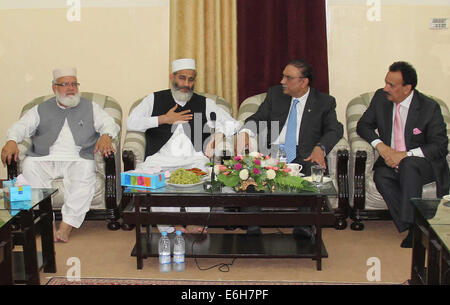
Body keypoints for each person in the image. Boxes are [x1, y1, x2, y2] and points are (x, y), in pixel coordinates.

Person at [1, 67, 120, 243]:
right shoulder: (41, 108)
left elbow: (109, 123)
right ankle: (47, 223)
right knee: (28, 166)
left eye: (74, 84)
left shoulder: (90, 106)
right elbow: (22, 126)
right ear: (54, 87)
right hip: (44, 157)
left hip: (78, 158)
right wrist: (11, 140)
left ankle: (66, 225)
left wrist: (106, 135)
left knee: (87, 170)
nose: (70, 88)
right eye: (64, 84)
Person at [127, 58, 240, 234]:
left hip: (194, 158)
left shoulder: (204, 102)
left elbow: (233, 123)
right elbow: (132, 122)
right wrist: (163, 119)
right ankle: (171, 225)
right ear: (172, 77)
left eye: (191, 79)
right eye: (182, 78)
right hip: (161, 158)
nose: (186, 84)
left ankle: (197, 223)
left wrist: (217, 135)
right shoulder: (153, 99)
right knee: (155, 181)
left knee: (205, 176)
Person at [236, 59, 344, 237]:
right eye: (283, 76)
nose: (282, 81)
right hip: (273, 150)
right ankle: (252, 224)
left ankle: (304, 225)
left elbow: (335, 128)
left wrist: (321, 148)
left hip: (304, 152)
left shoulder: (324, 101)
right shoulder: (275, 94)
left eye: (288, 77)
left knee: (313, 169)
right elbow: (257, 118)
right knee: (250, 168)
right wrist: (246, 132)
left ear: (304, 81)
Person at [357, 61, 449, 248]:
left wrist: (404, 155)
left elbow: (440, 146)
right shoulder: (381, 98)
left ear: (407, 88)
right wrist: (381, 146)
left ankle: (414, 231)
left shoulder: (428, 107)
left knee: (408, 164)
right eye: (386, 82)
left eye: (392, 85)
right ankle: (414, 225)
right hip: (390, 160)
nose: (385, 88)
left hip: (424, 164)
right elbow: (363, 125)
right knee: (381, 175)